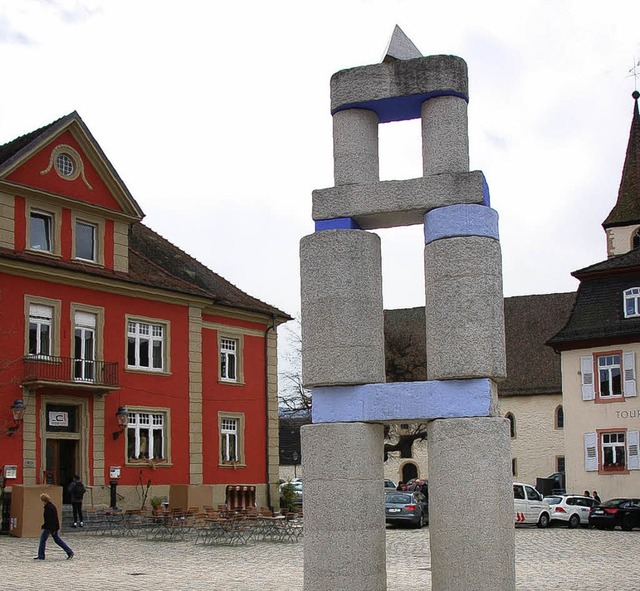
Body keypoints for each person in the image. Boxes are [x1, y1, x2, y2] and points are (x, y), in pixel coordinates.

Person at [35, 493, 73, 560]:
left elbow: (50, 520)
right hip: (52, 527)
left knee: (43, 540)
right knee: (56, 540)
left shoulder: (48, 508)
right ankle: (69, 551)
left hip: (50, 527)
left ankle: (41, 556)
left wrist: (49, 528)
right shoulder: (51, 506)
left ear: (43, 500)